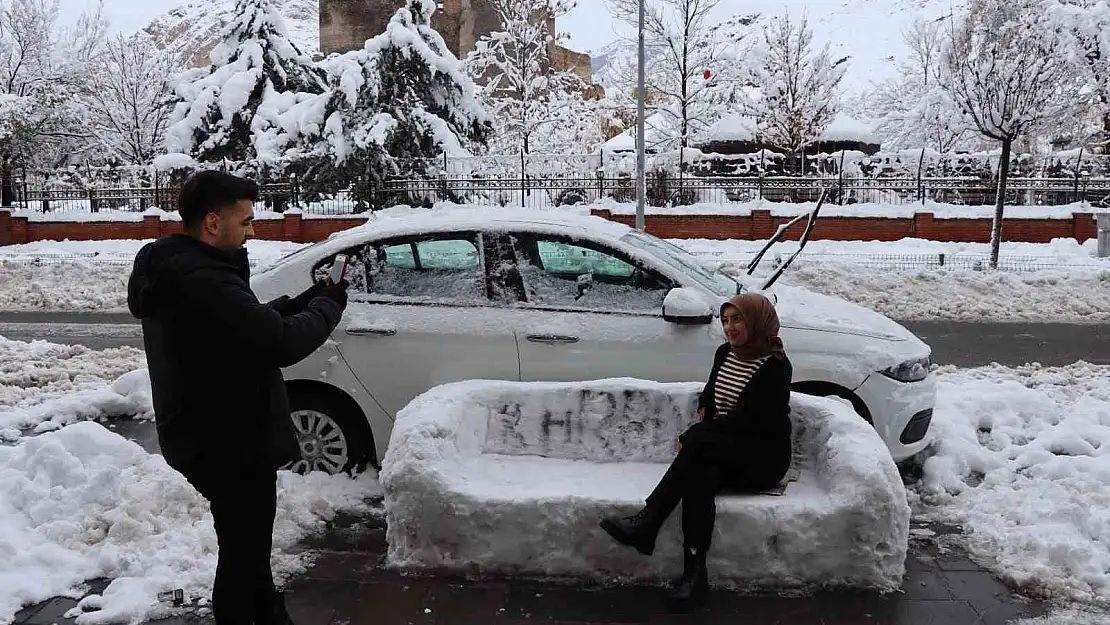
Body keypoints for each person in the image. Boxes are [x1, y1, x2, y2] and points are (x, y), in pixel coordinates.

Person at [127, 170, 349, 624]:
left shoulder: (180, 268)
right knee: (243, 557)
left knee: (245, 549)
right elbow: (280, 344)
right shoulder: (205, 279)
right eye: (246, 221)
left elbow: (237, 328)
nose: (253, 231)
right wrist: (330, 304)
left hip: (207, 433)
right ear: (212, 222)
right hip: (228, 441)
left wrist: (303, 300)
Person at [599, 292, 793, 613]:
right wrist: (705, 408)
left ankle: (649, 522)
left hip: (762, 457)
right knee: (698, 475)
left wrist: (697, 434)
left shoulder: (775, 367)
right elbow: (711, 390)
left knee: (698, 448)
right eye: (726, 320)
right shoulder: (725, 353)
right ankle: (694, 574)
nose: (729, 328)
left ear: (758, 322)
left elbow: (750, 422)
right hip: (723, 447)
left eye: (738, 320)